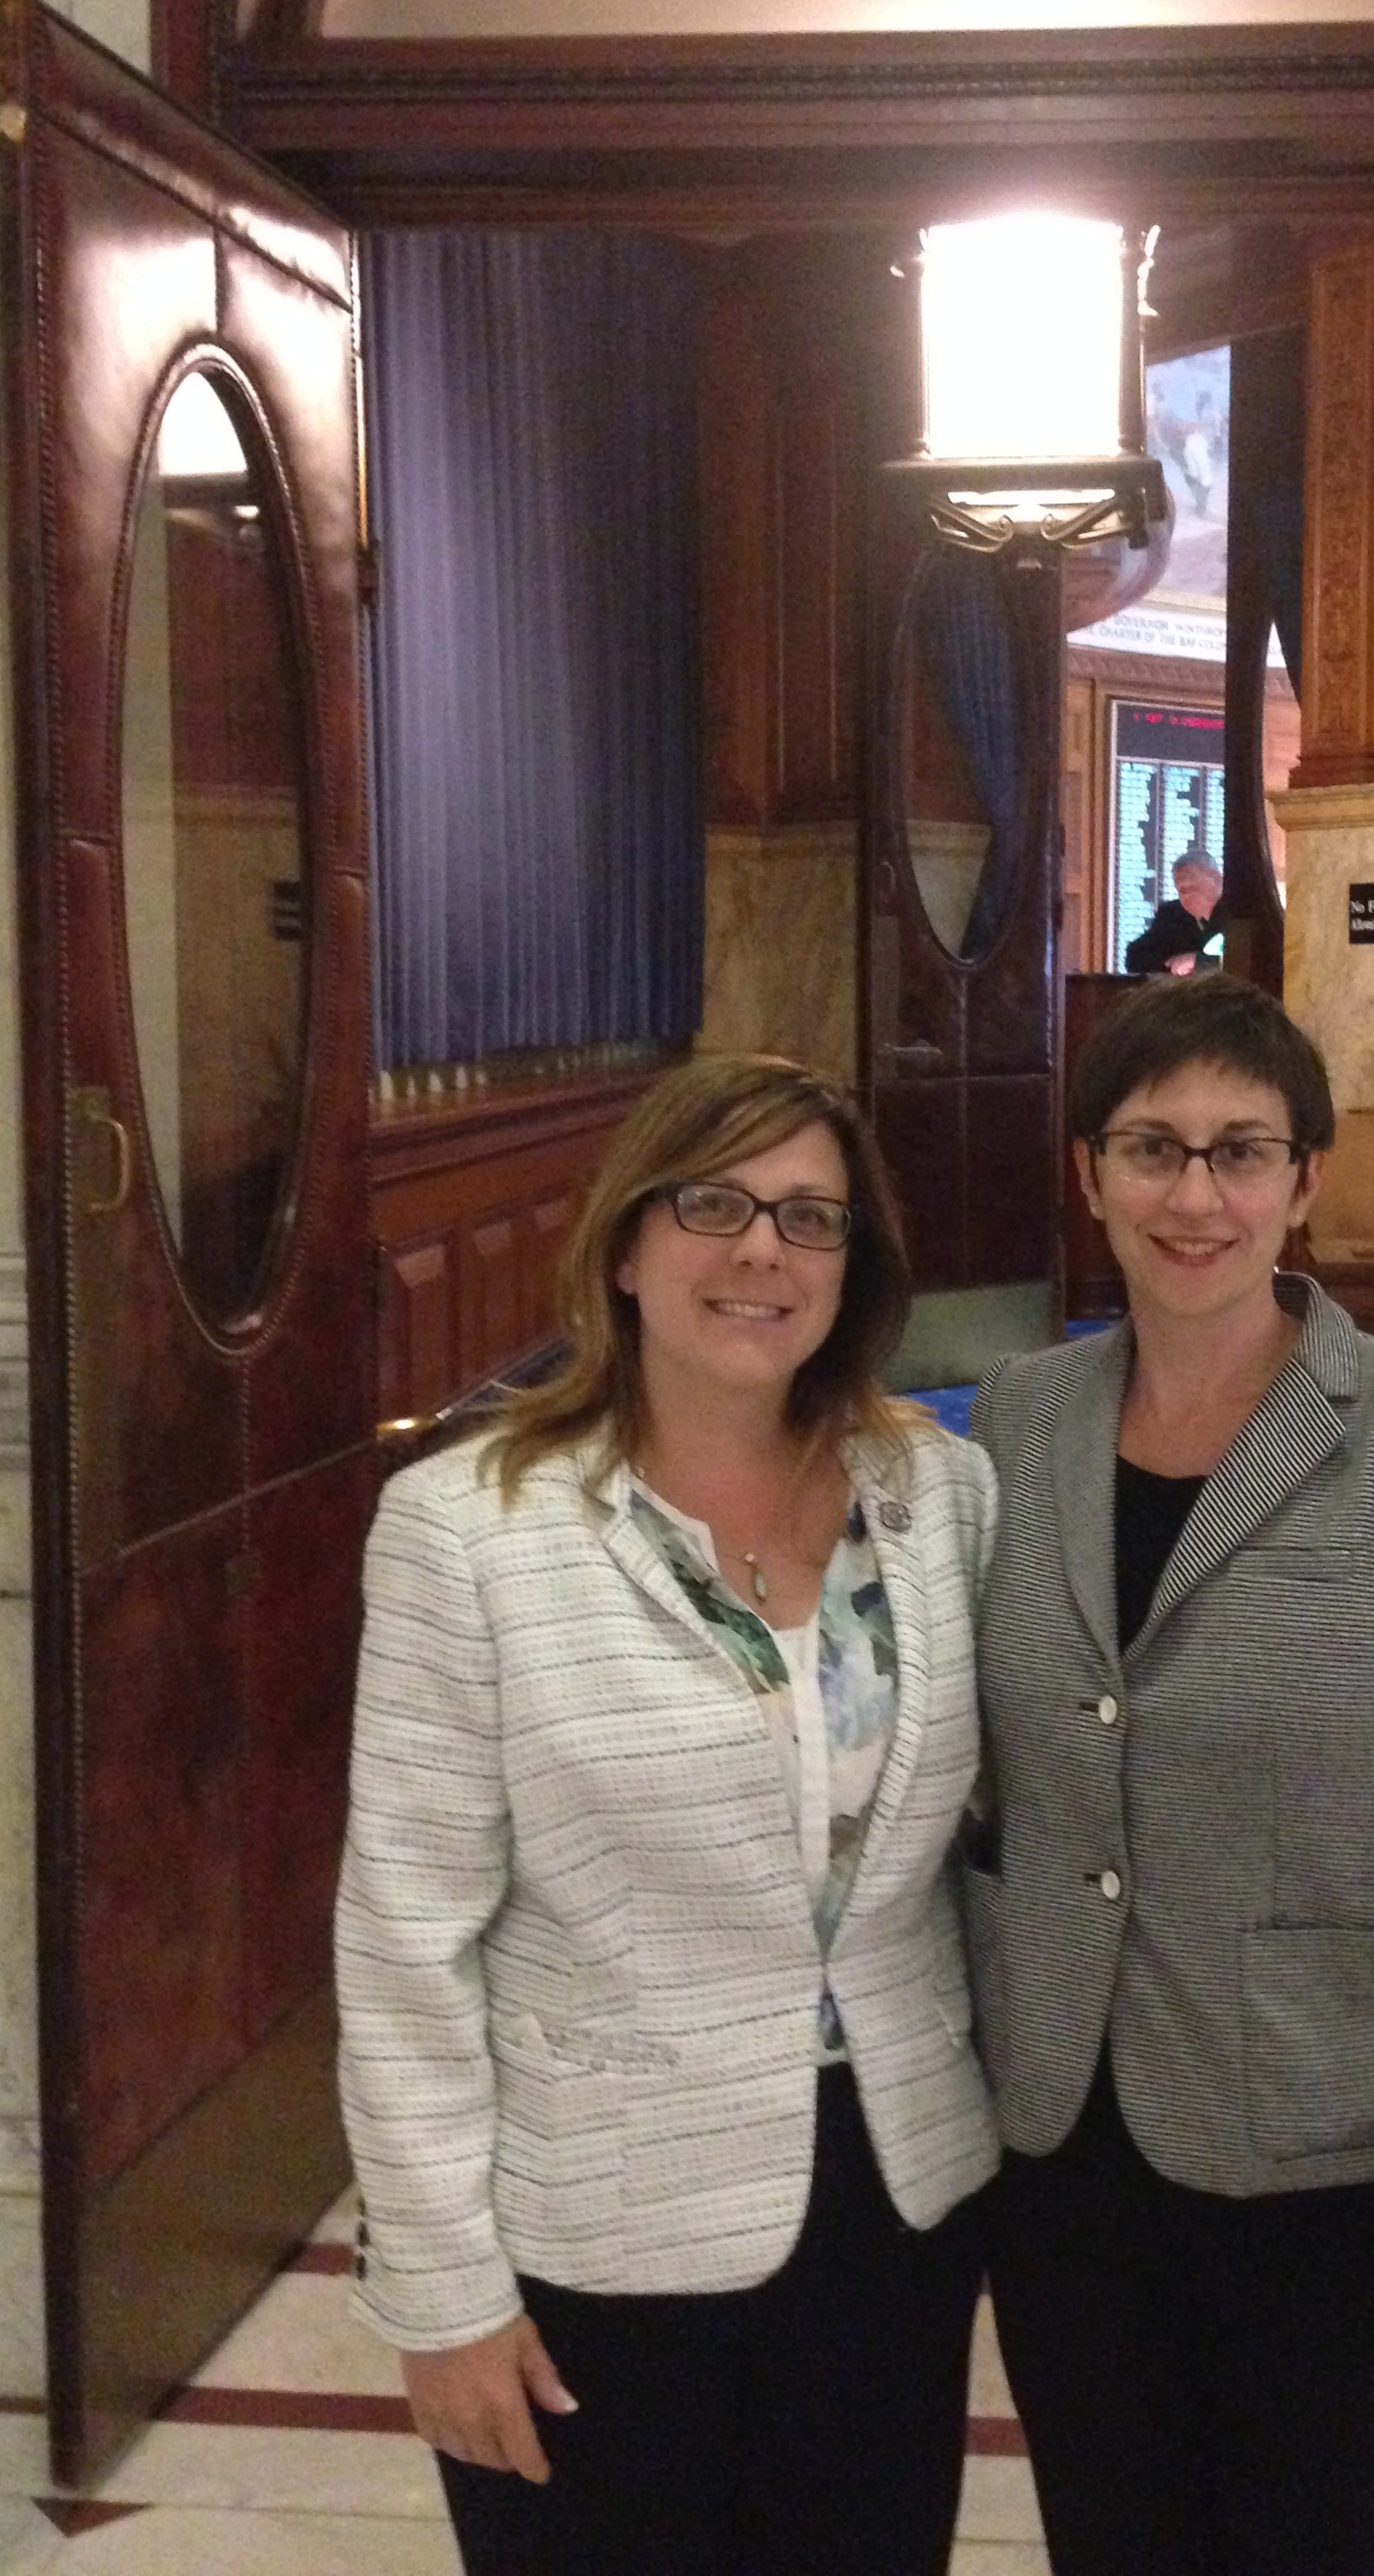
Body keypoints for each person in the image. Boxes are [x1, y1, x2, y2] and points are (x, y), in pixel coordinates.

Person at [336, 1053, 999, 2576]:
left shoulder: (938, 1493)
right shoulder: (468, 1530)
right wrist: (440, 2290)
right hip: (597, 2227)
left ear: (854, 1266)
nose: (761, 1248)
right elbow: (402, 1940)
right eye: (713, 1203)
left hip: (891, 2209)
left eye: (809, 1217)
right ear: (626, 1243)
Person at [962, 973, 1374, 2576]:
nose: (1195, 1192)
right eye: (1152, 1146)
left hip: (1332, 2177)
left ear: (1302, 1180)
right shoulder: (1018, 1424)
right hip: (1066, 2169)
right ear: (1088, 1170)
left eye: (1242, 1149)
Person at [1124, 851, 1229, 976]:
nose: (1185, 897)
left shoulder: (1241, 912)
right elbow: (1136, 956)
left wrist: (1200, 963)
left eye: (1191, 887)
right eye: (1180, 890)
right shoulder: (1171, 915)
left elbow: (1245, 958)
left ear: (1216, 878)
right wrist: (1173, 964)